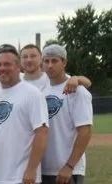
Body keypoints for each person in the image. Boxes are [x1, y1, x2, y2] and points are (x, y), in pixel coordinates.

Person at [0, 45, 49, 184]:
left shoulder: (32, 93)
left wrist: (31, 170)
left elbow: (42, 132)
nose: (2, 68)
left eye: (7, 64)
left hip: (21, 178)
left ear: (18, 67)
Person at [41, 44, 92, 184]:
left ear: (64, 62)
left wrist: (70, 166)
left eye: (54, 61)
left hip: (68, 171)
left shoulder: (77, 91)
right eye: (46, 61)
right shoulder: (42, 92)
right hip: (44, 170)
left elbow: (85, 132)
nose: (50, 65)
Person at [0, 44, 91, 93]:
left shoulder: (51, 77)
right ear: (20, 61)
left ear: (41, 58)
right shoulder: (13, 81)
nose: (29, 60)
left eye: (33, 56)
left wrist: (76, 78)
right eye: (25, 57)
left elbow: (87, 83)